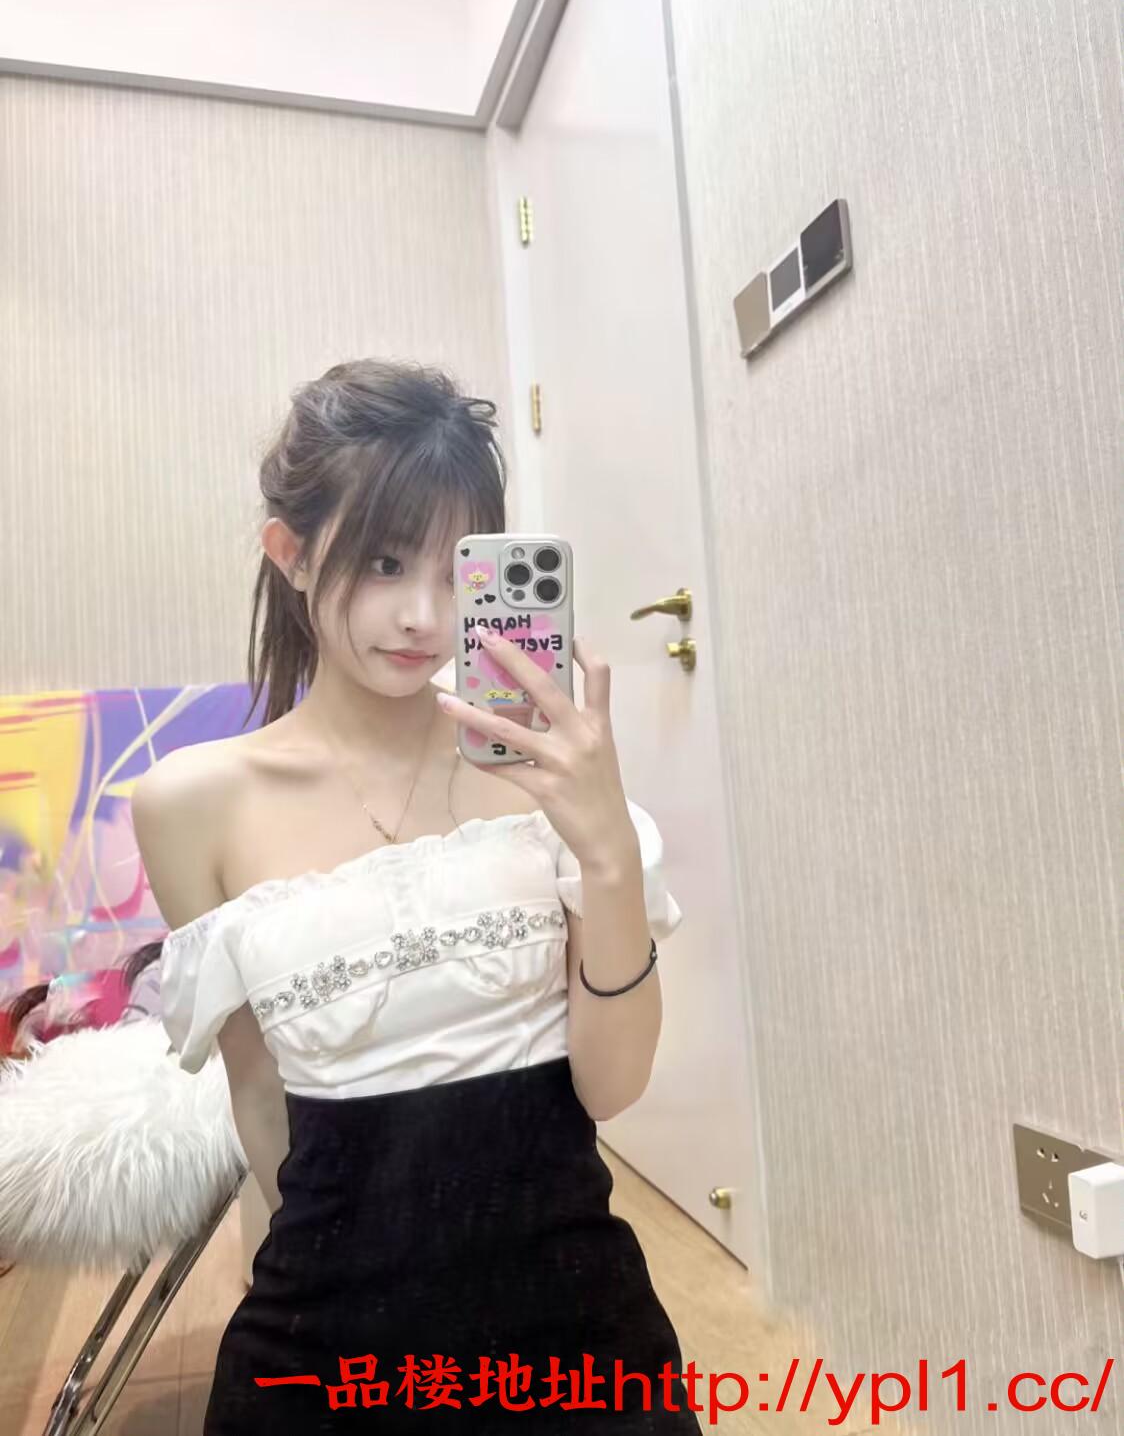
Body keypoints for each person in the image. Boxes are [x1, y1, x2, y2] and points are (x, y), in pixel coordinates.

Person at [131, 358, 700, 1433]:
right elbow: (263, 1099)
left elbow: (612, 1083)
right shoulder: (191, 805)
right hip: (324, 1334)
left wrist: (607, 853)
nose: (424, 615)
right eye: (386, 562)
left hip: (572, 1320)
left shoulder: (541, 775)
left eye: (455, 569)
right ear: (291, 553)